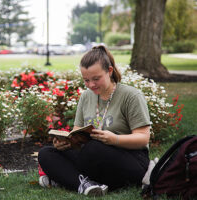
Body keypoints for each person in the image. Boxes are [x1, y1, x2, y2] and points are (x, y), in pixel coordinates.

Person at [38, 45, 151, 196]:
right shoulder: (86, 96)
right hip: (92, 158)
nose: (91, 85)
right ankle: (86, 185)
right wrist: (66, 143)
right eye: (86, 80)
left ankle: (69, 179)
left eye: (96, 79)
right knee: (46, 153)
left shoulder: (131, 96)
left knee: (94, 149)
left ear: (109, 71)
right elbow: (77, 131)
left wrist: (114, 139)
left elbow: (143, 138)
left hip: (131, 159)